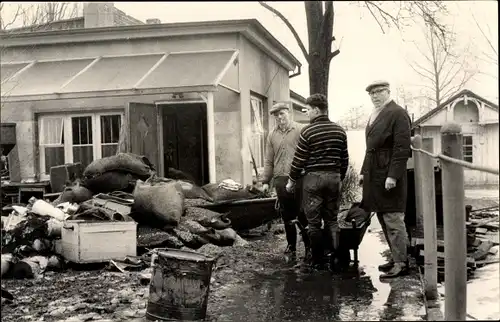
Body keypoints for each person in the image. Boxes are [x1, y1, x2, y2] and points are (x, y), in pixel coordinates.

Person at [286, 94, 349, 270]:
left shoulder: (307, 131)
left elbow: (299, 160)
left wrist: (291, 180)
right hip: (334, 178)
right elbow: (344, 159)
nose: (307, 113)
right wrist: (339, 177)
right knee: (332, 220)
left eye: (308, 109)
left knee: (313, 223)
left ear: (316, 110)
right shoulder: (339, 131)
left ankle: (318, 260)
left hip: (313, 179)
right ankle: (336, 259)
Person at [360, 80, 412, 278]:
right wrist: (364, 171)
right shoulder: (376, 114)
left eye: (379, 92)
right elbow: (370, 148)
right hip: (376, 173)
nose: (375, 96)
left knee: (393, 218)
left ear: (388, 91)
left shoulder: (397, 113)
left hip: (388, 174)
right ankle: (396, 257)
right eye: (371, 93)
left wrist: (393, 176)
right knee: (383, 216)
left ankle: (401, 263)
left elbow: (401, 148)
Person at [261, 102, 310, 260]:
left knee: (302, 213)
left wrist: (306, 172)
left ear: (289, 113)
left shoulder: (301, 130)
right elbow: (269, 160)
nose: (279, 117)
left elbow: (309, 154)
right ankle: (291, 246)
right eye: (276, 115)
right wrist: (265, 181)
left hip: (299, 178)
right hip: (280, 179)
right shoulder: (272, 134)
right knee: (286, 214)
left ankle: (309, 247)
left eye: (282, 114)